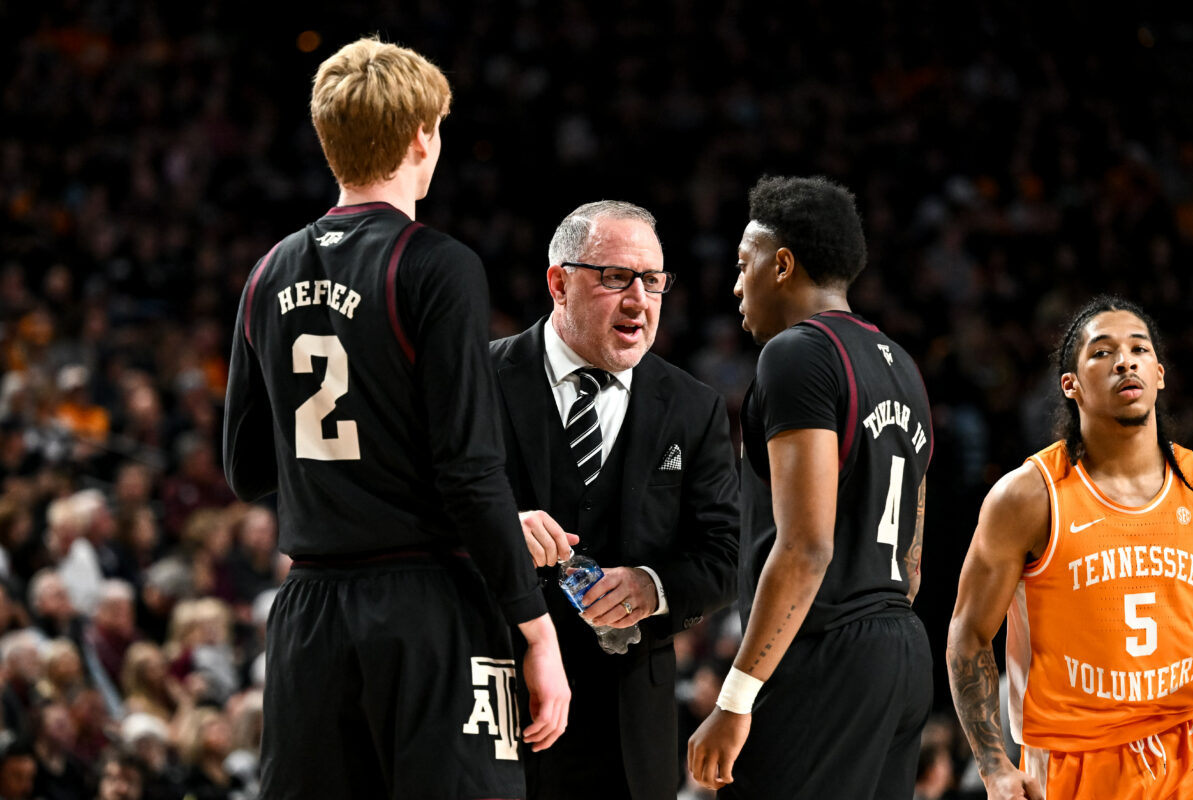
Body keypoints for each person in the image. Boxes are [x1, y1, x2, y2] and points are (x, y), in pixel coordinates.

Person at [221, 36, 570, 799]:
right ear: (422, 135)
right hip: (424, 606)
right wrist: (535, 630)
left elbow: (246, 469)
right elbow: (469, 469)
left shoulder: (266, 272)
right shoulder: (437, 263)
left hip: (309, 611)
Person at [688, 175, 934, 798]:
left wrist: (736, 698)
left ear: (784, 264)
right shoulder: (900, 364)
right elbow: (911, 561)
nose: (737, 284)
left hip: (825, 657)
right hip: (901, 650)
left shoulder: (796, 353)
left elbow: (805, 547)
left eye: (746, 265)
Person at [491, 200, 739, 799]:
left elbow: (726, 555)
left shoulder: (692, 406)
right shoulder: (478, 381)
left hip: (633, 724)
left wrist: (651, 586)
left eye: (653, 281)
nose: (640, 301)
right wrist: (496, 527)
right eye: (616, 278)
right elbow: (422, 516)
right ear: (559, 283)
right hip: (501, 704)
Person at [946, 295, 1193, 799]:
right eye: (1102, 353)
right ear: (1071, 385)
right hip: (1074, 763)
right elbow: (969, 635)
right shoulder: (1029, 496)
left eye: (1139, 349)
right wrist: (994, 767)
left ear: (1160, 373)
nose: (1125, 360)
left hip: (1188, 747)